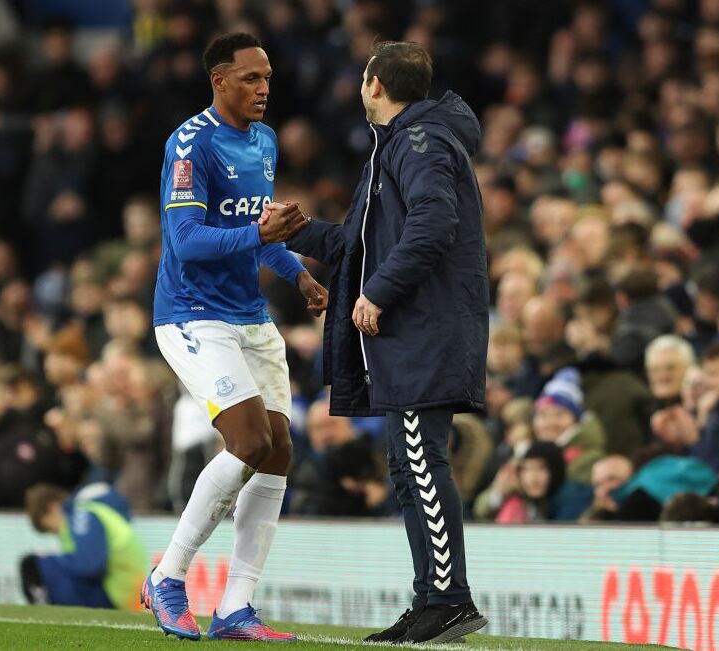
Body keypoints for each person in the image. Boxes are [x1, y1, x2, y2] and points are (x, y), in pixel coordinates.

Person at [272, 41, 489, 644]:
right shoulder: (402, 144)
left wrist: (381, 291)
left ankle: (448, 599)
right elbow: (362, 245)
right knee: (407, 466)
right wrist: (301, 231)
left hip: (422, 331)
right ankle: (430, 599)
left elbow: (433, 221)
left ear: (373, 84)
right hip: (410, 336)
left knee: (421, 463)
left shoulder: (419, 142)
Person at [141, 32, 327, 642]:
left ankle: (235, 608)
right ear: (219, 80)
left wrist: (298, 275)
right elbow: (189, 240)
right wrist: (264, 236)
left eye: (267, 76)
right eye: (250, 77)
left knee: (278, 451)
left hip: (249, 314)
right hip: (193, 314)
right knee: (249, 438)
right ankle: (168, 576)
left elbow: (255, 226)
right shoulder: (189, 145)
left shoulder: (265, 141)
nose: (264, 87)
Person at [21, 483, 147, 611]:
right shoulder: (83, 516)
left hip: (117, 592)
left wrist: (55, 559)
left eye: (48, 528)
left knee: (31, 564)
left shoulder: (82, 515)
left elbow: (91, 566)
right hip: (125, 591)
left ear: (53, 507)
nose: (53, 533)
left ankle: (43, 612)